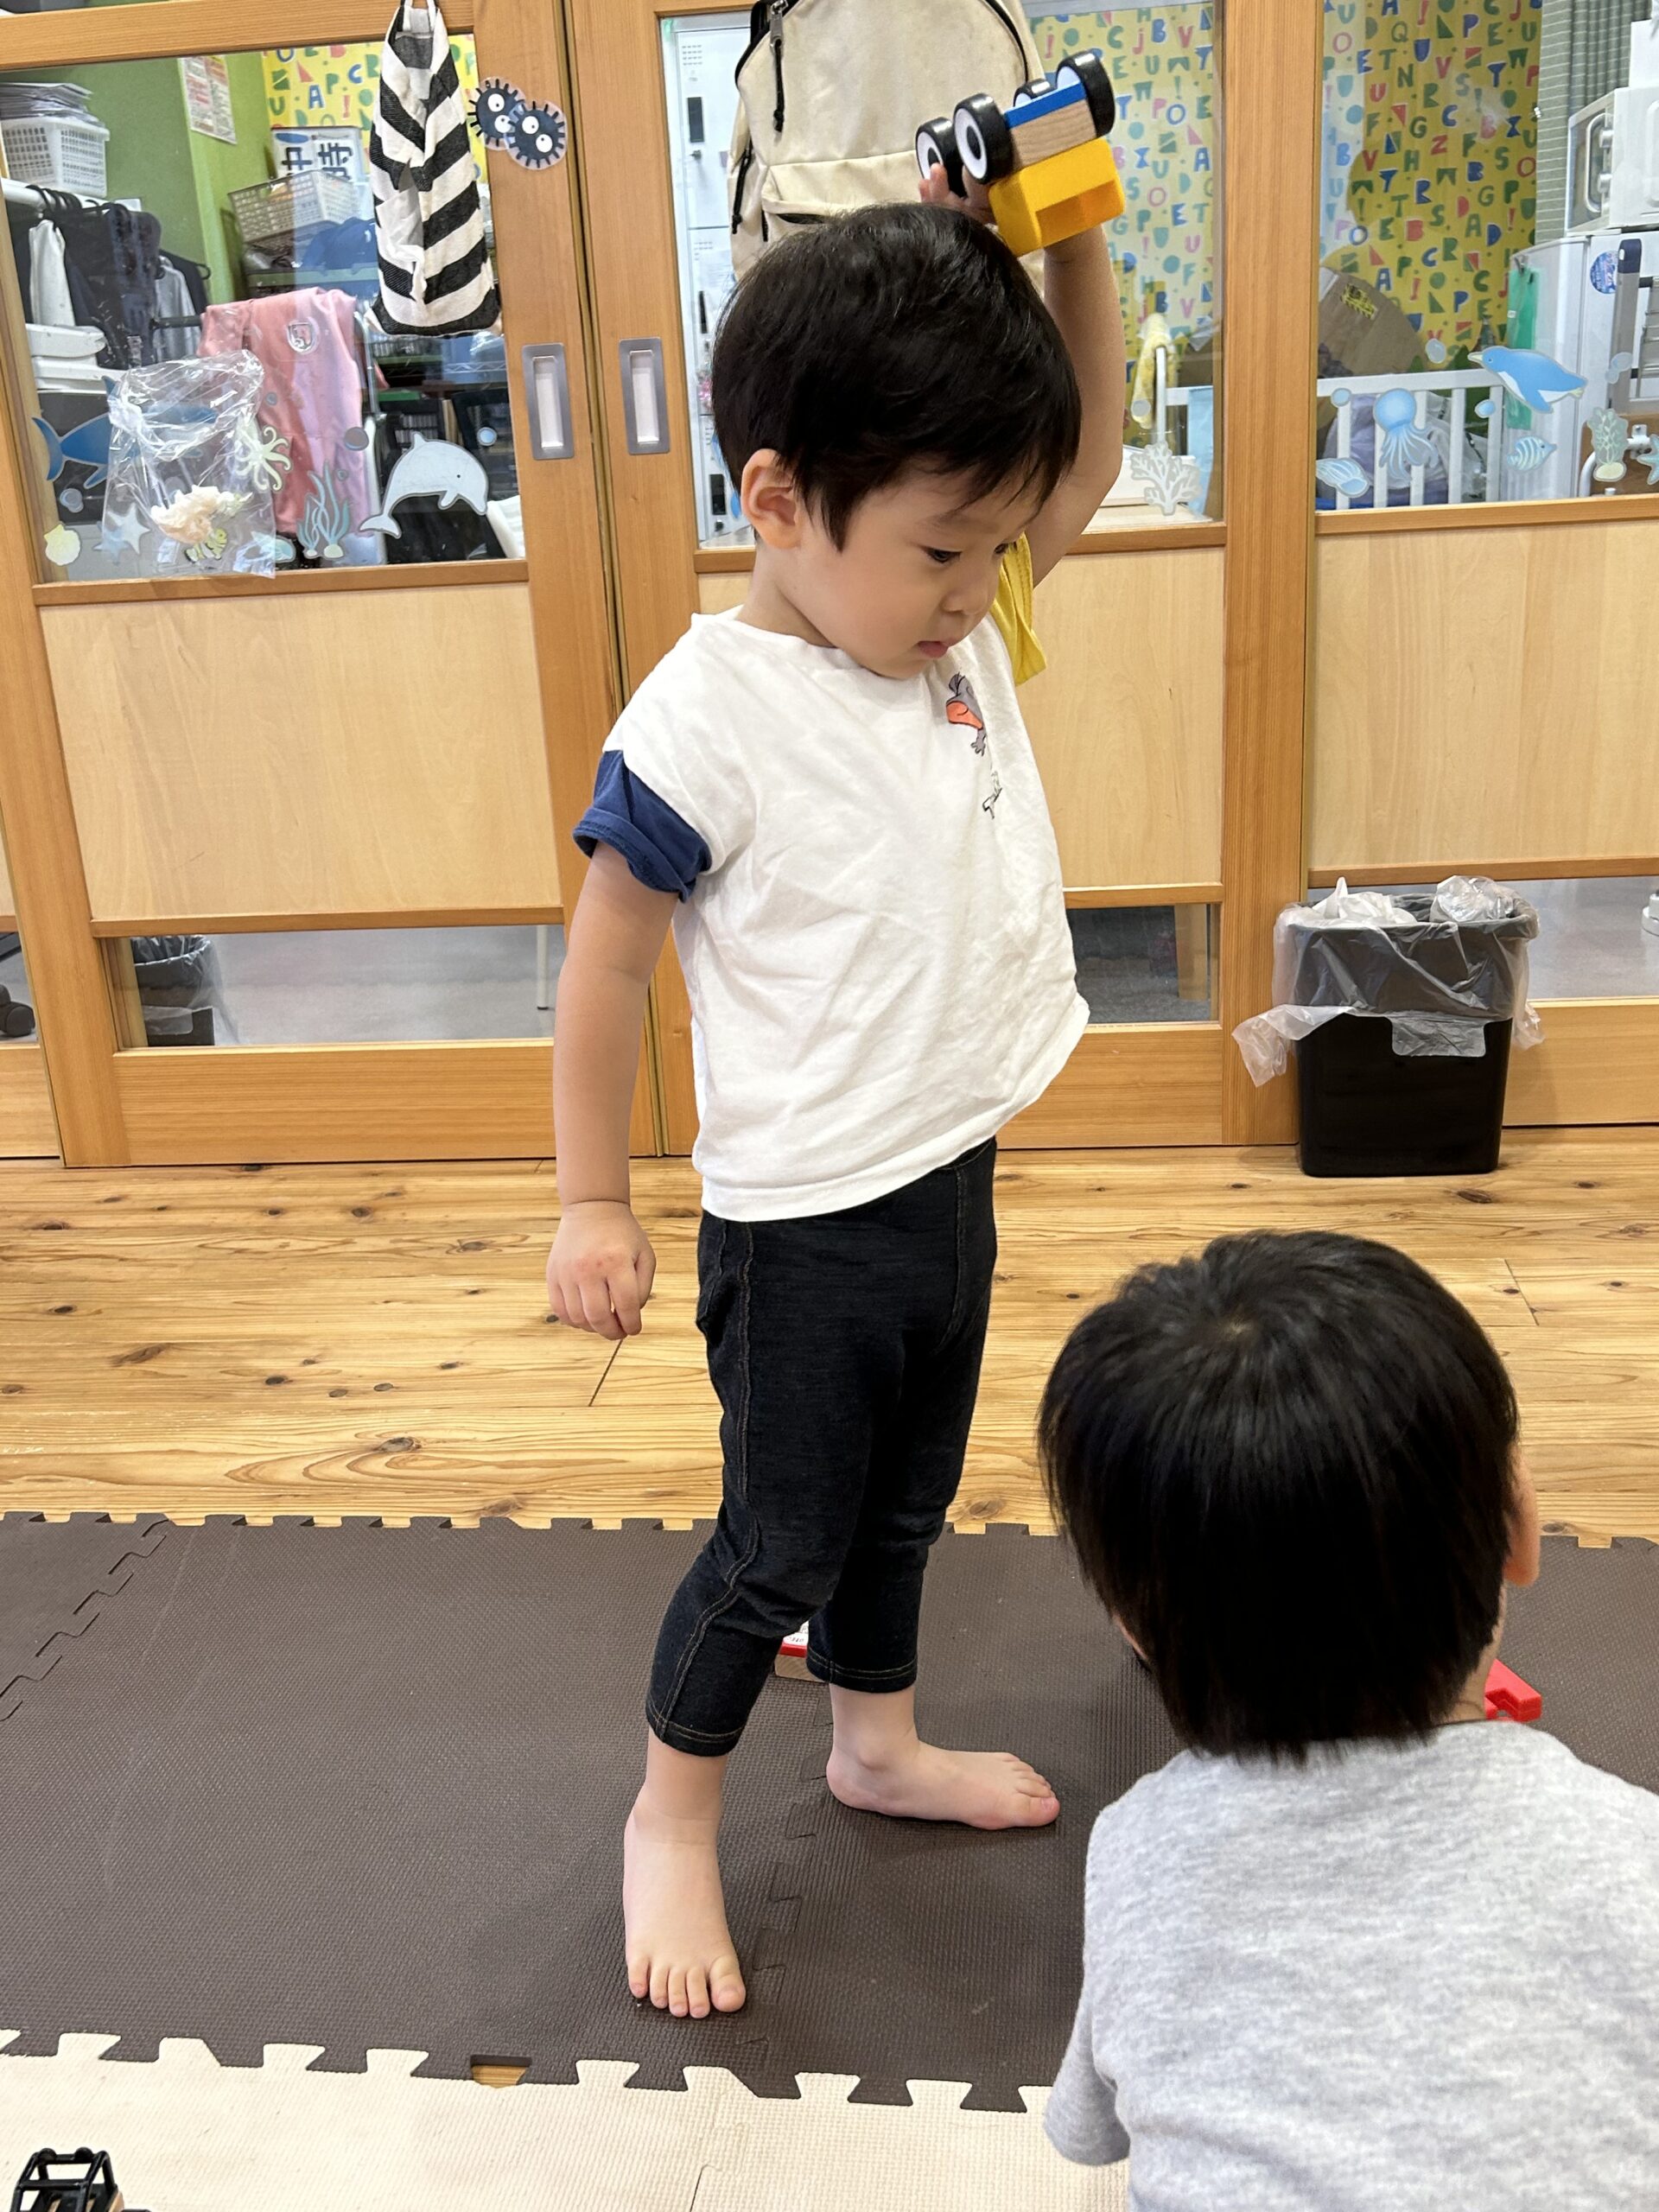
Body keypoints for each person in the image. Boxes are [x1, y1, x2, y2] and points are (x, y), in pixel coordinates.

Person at [544, 180, 1124, 2020]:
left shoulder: (944, 616)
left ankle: (878, 1741)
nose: (978, 594)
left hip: (949, 1170)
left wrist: (1073, 228)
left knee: (908, 1505)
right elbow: (604, 967)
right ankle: (671, 1811)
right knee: (778, 1542)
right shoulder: (708, 716)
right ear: (781, 501)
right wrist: (591, 1199)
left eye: (995, 550)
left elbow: (1085, 452)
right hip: (803, 1227)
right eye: (947, 552)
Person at [1039, 1230, 1659, 2208]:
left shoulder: (1139, 1847)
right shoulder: (1638, 1845)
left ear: (1134, 1622)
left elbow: (1091, 2133)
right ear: (1521, 1525)